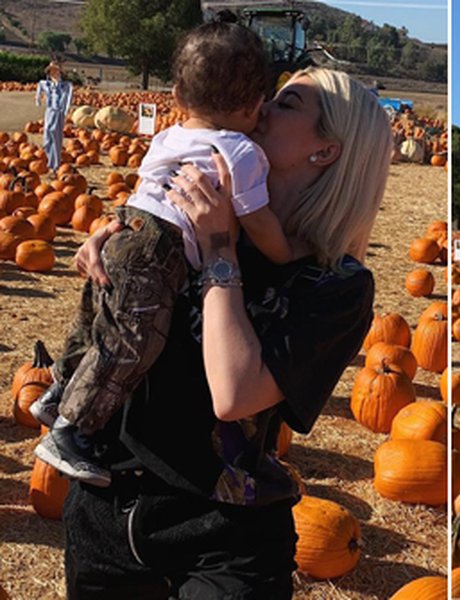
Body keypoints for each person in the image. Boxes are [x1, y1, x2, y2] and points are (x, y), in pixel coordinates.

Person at [59, 67, 392, 598]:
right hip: (105, 516)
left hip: (222, 541)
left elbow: (234, 395)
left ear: (325, 151)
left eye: (286, 103)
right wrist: (116, 244)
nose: (260, 106)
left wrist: (220, 253)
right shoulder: (182, 220)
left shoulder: (334, 284)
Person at [31, 22, 297, 488]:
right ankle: (72, 432)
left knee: (98, 322)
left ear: (175, 95)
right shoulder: (238, 151)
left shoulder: (168, 136)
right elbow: (259, 221)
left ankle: (58, 388)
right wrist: (288, 251)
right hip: (158, 250)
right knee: (133, 342)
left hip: (127, 229)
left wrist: (107, 229)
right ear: (254, 105)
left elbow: (142, 191)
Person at [34, 61, 72, 171]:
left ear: (59, 72)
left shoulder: (66, 86)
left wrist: (66, 110)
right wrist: (38, 99)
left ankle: (55, 164)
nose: (53, 72)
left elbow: (68, 99)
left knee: (56, 136)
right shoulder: (45, 84)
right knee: (47, 135)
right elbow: (39, 90)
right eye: (51, 70)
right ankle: (50, 160)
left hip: (59, 112)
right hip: (49, 111)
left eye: (56, 70)